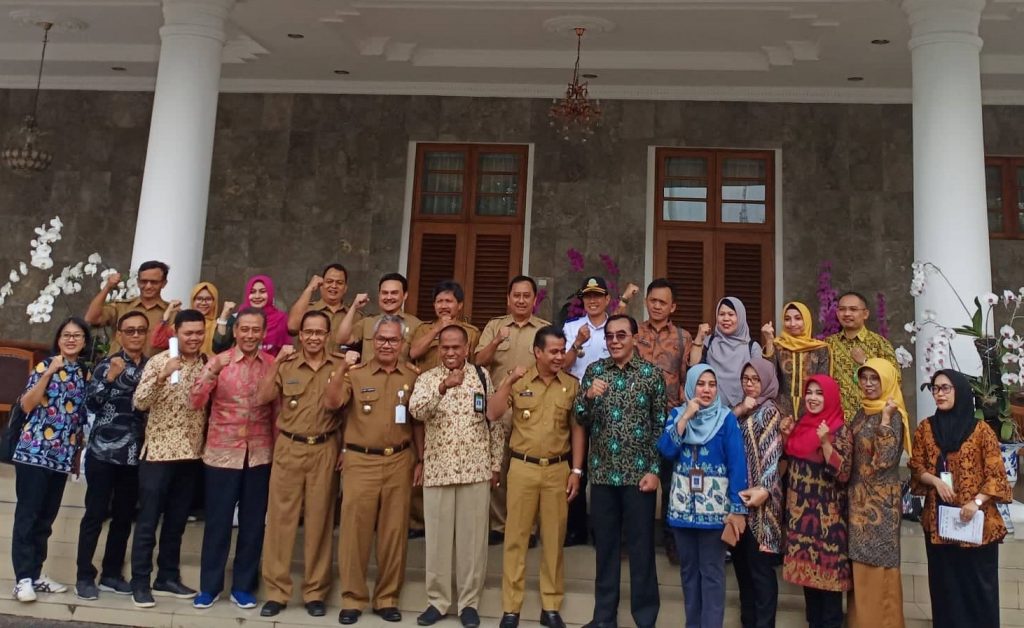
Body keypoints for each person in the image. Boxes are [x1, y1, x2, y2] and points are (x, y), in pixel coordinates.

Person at [325, 314, 421, 625]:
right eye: (381, 339)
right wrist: (342, 369)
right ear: (372, 341)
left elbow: (417, 423)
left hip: (399, 461)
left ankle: (387, 598)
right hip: (361, 461)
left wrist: (420, 459)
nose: (386, 345)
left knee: (394, 534)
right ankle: (353, 599)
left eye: (393, 339)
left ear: (402, 343)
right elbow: (332, 403)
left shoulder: (412, 376)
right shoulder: (357, 374)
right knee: (355, 533)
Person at [488, 326, 585, 628]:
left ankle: (551, 605)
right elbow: (492, 413)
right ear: (537, 352)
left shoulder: (571, 385)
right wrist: (508, 382)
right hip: (523, 467)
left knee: (554, 540)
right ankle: (511, 607)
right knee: (516, 538)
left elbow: (577, 429)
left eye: (562, 350)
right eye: (553, 351)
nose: (559, 357)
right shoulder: (519, 381)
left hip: (558, 469)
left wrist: (577, 470)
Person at [409, 325, 504, 628]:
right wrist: (443, 387)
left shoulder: (481, 376)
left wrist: (495, 464)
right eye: (445, 347)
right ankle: (437, 601)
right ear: (438, 349)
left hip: (476, 470)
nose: (450, 352)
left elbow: (493, 421)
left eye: (456, 347)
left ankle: (468, 604)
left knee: (472, 542)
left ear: (466, 349)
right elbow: (416, 412)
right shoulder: (427, 379)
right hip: (439, 470)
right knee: (437, 541)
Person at [574, 314, 665, 628]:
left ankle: (645, 619)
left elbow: (660, 426)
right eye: (610, 336)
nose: (614, 341)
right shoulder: (595, 371)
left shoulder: (651, 375)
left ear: (635, 338)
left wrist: (655, 470)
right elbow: (580, 418)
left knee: (641, 551)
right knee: (606, 550)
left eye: (621, 335)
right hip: (602, 475)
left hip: (639, 477)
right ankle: (604, 619)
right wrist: (588, 397)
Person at [256, 311, 343, 619]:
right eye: (308, 332)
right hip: (290, 447)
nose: (314, 337)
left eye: (320, 332)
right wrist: (276, 363)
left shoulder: (340, 366)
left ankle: (315, 592)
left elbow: (346, 410)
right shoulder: (288, 364)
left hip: (324, 448)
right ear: (300, 335)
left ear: (328, 336)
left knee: (320, 522)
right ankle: (277, 592)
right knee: (281, 522)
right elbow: (263, 396)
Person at [188, 307, 276, 610]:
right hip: (222, 453)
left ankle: (243, 587)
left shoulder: (272, 364)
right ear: (235, 331)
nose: (250, 335)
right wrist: (211, 372)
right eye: (244, 329)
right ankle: (209, 587)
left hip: (260, 454)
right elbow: (195, 401)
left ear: (264, 333)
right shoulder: (218, 361)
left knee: (253, 524)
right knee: (218, 523)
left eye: (256, 330)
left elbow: (277, 411)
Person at [909, 370, 1011, 628]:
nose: (939, 394)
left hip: (976, 526)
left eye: (946, 388)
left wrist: (976, 503)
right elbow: (916, 467)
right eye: (935, 388)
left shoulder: (981, 431)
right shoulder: (925, 429)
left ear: (960, 391)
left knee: (978, 590)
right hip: (940, 524)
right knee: (945, 590)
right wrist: (935, 481)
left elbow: (997, 475)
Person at [129, 309, 209, 608]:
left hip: (191, 454)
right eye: (188, 333)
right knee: (148, 521)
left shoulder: (207, 363)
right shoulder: (159, 361)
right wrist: (162, 375)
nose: (194, 338)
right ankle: (140, 582)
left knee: (176, 522)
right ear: (176, 332)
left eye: (199, 332)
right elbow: (140, 402)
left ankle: (167, 577)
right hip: (159, 454)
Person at [659, 364, 748, 628]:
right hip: (682, 510)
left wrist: (737, 508)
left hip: (715, 512)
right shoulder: (677, 415)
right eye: (700, 384)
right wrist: (686, 417)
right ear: (690, 387)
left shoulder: (726, 419)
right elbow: (666, 451)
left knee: (712, 574)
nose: (706, 390)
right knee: (688, 574)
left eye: (712, 385)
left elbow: (737, 465)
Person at [10, 317, 91, 603]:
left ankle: (35, 574)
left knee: (46, 519)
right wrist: (49, 373)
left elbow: (77, 418)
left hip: (61, 457)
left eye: (77, 335)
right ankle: (22, 579)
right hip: (33, 453)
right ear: (58, 339)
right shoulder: (46, 365)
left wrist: (76, 454)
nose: (71, 339)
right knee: (28, 516)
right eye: (66, 334)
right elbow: (26, 404)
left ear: (85, 341)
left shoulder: (83, 373)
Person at [75, 311, 149, 601]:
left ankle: (111, 574)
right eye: (129, 330)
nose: (135, 335)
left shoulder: (152, 368)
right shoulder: (108, 364)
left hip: (133, 455)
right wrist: (109, 378)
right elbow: (91, 404)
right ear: (119, 334)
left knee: (123, 518)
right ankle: (84, 575)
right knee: (95, 515)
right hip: (103, 454)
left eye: (140, 330)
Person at [475, 275, 550, 546]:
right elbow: (478, 361)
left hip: (532, 410)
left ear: (534, 299)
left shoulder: (544, 329)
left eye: (526, 296)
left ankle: (527, 528)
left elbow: (552, 366)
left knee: (527, 471)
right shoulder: (495, 326)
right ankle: (498, 525)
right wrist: (496, 341)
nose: (521, 300)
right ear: (508, 299)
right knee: (497, 466)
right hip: (498, 408)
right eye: (516, 295)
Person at [782, 375, 852, 628]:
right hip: (800, 523)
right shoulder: (801, 424)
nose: (812, 398)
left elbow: (843, 474)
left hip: (827, 527)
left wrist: (825, 443)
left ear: (830, 397)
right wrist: (785, 436)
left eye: (819, 393)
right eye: (809, 392)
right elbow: (790, 461)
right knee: (811, 597)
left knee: (830, 598)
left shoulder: (840, 429)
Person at [846, 359, 908, 628]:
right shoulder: (861, 412)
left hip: (881, 507)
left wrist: (884, 419)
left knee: (880, 567)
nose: (869, 384)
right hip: (858, 502)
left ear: (888, 381)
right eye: (864, 378)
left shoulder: (894, 415)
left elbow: (885, 459)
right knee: (859, 566)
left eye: (875, 378)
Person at [634, 277, 691, 563]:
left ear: (673, 307)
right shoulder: (634, 332)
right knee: (637, 483)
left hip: (669, 421)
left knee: (670, 483)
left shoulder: (683, 337)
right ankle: (635, 541)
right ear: (646, 301)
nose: (657, 306)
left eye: (662, 302)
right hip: (636, 419)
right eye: (653, 300)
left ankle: (672, 541)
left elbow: (685, 378)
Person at [732, 358, 785, 628]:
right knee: (742, 569)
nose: (750, 384)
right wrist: (741, 409)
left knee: (760, 570)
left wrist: (764, 487)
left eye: (755, 379)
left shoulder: (770, 411)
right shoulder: (743, 409)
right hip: (739, 501)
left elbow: (772, 454)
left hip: (762, 505)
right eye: (746, 379)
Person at [824, 291, 898, 421]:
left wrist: (866, 362)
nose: (847, 313)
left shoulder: (880, 344)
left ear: (865, 314)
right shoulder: (828, 344)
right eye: (842, 309)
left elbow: (894, 380)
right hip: (836, 419)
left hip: (872, 418)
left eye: (853, 309)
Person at [84, 260, 169, 356]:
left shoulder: (172, 313)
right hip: (118, 364)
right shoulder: (122, 307)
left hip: (153, 365)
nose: (148, 286)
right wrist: (107, 287)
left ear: (164, 283)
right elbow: (91, 318)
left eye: (154, 282)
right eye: (144, 281)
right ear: (138, 282)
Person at [761, 301, 830, 418]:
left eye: (798, 318)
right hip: (780, 411)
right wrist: (769, 340)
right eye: (787, 319)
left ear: (806, 320)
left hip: (811, 409)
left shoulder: (820, 349)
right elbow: (768, 376)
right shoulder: (778, 346)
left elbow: (823, 383)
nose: (792, 323)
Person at [335, 272, 423, 363]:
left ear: (405, 295)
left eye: (394, 293)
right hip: (368, 372)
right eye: (385, 293)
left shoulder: (416, 325)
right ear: (379, 295)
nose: (389, 297)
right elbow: (342, 339)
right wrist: (354, 307)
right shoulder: (368, 322)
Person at [690, 297, 763, 406]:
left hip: (744, 409)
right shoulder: (709, 342)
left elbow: (759, 381)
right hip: (711, 409)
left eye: (731, 314)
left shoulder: (752, 347)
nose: (726, 318)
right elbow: (693, 367)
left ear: (740, 317)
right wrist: (699, 337)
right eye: (721, 314)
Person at [410, 280, 480, 371]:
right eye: (439, 301)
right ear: (434, 305)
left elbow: (476, 365)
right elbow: (413, 354)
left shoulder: (471, 333)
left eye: (448, 301)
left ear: (460, 305)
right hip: (428, 379)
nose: (443, 306)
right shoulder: (423, 329)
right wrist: (436, 330)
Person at [213, 275, 291, 355]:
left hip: (273, 362)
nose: (257, 296)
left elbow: (287, 350)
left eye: (262, 291)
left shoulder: (281, 319)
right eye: (252, 292)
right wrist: (224, 316)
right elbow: (219, 349)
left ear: (270, 293)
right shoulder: (238, 317)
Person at [287, 263, 362, 345]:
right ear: (321, 285)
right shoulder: (307, 310)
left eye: (339, 283)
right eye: (329, 281)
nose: (334, 286)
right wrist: (309, 288)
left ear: (345, 288)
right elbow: (292, 327)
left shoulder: (356, 316)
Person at [150, 282, 219, 355]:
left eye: (208, 299)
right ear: (193, 300)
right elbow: (157, 342)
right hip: (180, 362)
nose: (203, 303)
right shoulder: (183, 323)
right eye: (199, 299)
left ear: (214, 301)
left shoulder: (218, 327)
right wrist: (168, 312)